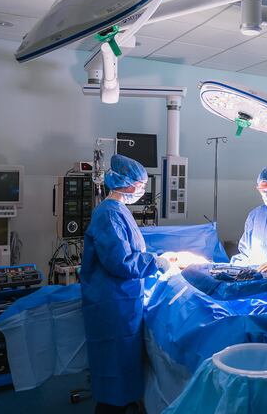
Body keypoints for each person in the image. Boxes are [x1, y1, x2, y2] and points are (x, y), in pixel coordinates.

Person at [81, 154, 166, 414]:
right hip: (112, 304)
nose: (142, 189)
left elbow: (131, 248)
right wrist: (156, 263)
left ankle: (125, 404)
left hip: (124, 301)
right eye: (140, 184)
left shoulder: (119, 211)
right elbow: (120, 261)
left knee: (124, 363)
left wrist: (158, 256)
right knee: (113, 366)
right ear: (126, 183)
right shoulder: (108, 214)